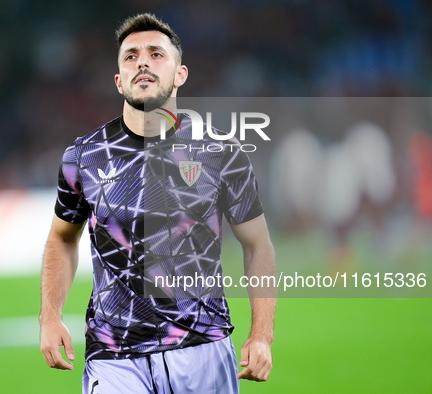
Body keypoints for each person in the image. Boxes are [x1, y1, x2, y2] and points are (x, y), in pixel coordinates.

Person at [39, 13, 276, 393]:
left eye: (155, 54)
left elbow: (257, 243)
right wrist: (49, 317)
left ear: (180, 74)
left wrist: (262, 334)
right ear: (119, 81)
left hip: (203, 347)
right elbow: (62, 238)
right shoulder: (83, 156)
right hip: (114, 356)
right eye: (130, 57)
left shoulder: (221, 153)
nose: (142, 62)